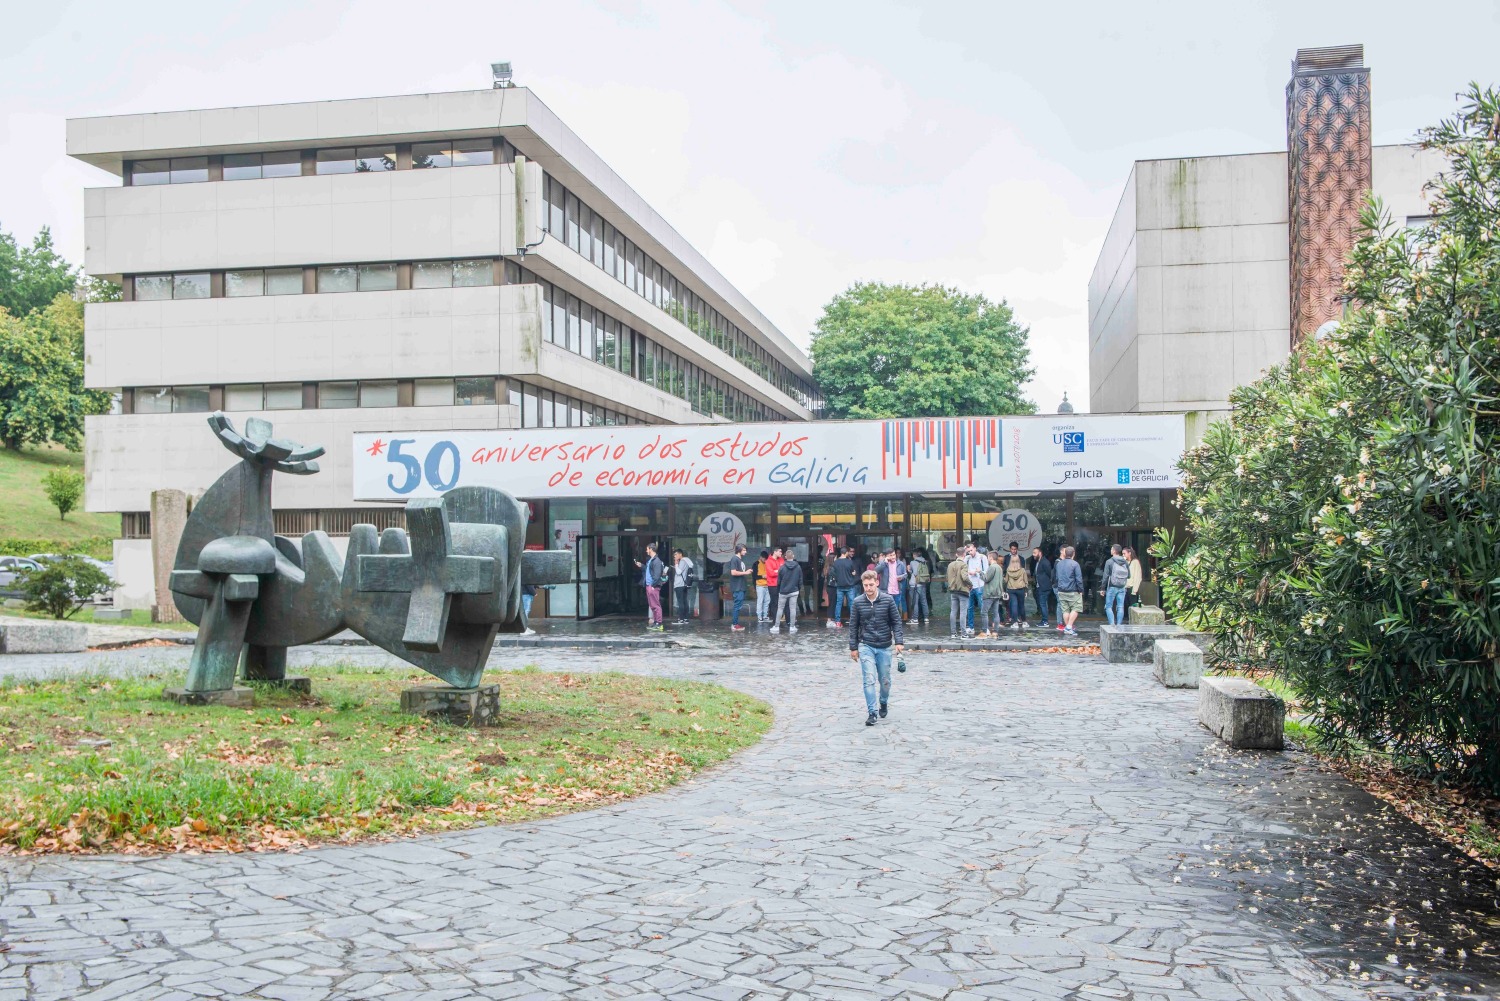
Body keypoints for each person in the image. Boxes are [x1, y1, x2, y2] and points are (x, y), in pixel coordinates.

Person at [848, 568, 904, 726]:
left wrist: (899, 642)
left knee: (885, 680)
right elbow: (853, 626)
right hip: (866, 645)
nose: (868, 588)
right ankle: (872, 712)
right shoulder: (858, 602)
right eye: (865, 585)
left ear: (877, 583)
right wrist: (853, 648)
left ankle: (883, 701)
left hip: (885, 646)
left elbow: (896, 622)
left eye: (871, 585)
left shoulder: (887, 600)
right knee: (869, 679)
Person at [634, 543, 665, 631]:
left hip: (653, 586)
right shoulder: (651, 560)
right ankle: (656, 622)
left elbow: (657, 575)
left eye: (647, 549)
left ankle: (659, 623)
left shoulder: (656, 561)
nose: (646, 551)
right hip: (649, 586)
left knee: (656, 605)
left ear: (651, 549)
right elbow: (649, 571)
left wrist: (652, 586)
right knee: (652, 605)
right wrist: (642, 566)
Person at [770, 554, 803, 634]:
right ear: (793, 556)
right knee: (793, 609)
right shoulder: (798, 567)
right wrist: (798, 588)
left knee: (780, 608)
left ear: (785, 557)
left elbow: (778, 581)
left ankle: (776, 626)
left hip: (783, 591)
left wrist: (779, 589)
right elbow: (800, 579)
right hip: (794, 591)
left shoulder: (782, 567)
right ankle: (792, 626)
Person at [1055, 545, 1084, 636]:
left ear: (1065, 553)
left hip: (1061, 590)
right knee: (1076, 608)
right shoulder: (1075, 564)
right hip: (1072, 590)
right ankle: (1069, 627)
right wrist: (1081, 590)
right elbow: (1078, 579)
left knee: (1065, 610)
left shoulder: (1059, 564)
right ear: (1073, 554)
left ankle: (1068, 628)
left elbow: (1057, 577)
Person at [1002, 542, 1030, 630]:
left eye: (1015, 549)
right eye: (1012, 549)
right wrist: (1026, 589)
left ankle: (1015, 622)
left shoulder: (1008, 570)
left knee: (1013, 605)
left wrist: (1004, 587)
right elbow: (1026, 581)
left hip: (1011, 589)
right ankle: (1024, 621)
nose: (1013, 551)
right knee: (1021, 605)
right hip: (1020, 589)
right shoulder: (1022, 570)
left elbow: (1005, 580)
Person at [1101, 543, 1131, 626]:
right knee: (1120, 606)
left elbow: (1105, 576)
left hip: (1112, 586)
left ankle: (1112, 624)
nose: (1110, 550)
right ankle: (1119, 625)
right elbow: (1129, 575)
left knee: (1108, 606)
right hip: (1122, 587)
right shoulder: (1125, 561)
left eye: (1111, 549)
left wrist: (1102, 588)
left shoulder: (1109, 561)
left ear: (1114, 551)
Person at [829, 546, 858, 627]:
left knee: (839, 604)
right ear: (846, 553)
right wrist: (853, 574)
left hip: (840, 586)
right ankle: (853, 620)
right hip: (850, 585)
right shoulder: (849, 562)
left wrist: (837, 577)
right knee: (851, 603)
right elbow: (853, 572)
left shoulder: (836, 562)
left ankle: (838, 622)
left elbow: (832, 573)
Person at [946, 551, 972, 638]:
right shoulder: (964, 565)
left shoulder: (950, 565)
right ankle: (963, 634)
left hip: (953, 591)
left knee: (953, 612)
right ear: (964, 555)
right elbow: (964, 577)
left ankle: (953, 633)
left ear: (956, 554)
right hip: (963, 591)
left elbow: (948, 577)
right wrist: (970, 584)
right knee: (963, 612)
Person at [963, 543, 987, 634]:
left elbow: (986, 571)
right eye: (968, 551)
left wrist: (977, 572)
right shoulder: (967, 558)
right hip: (970, 585)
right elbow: (963, 569)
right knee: (969, 607)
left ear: (975, 548)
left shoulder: (982, 557)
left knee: (982, 607)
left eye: (971, 550)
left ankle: (985, 627)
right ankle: (970, 627)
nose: (970, 553)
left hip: (980, 584)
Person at [979, 551, 1004, 637]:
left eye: (988, 557)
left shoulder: (992, 567)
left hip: (989, 593)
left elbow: (986, 578)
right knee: (995, 613)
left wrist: (980, 572)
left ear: (990, 557)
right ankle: (995, 632)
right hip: (997, 594)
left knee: (984, 612)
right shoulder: (999, 568)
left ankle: (984, 632)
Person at [876, 550, 907, 617]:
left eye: (894, 555)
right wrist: (884, 562)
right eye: (891, 555)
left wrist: (902, 577)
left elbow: (905, 574)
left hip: (897, 591)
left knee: (894, 610)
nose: (893, 557)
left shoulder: (900, 564)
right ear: (886, 556)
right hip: (886, 591)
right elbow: (876, 571)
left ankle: (893, 626)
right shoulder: (883, 563)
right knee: (885, 610)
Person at [728, 544, 751, 631]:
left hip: (741, 586)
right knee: (737, 606)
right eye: (744, 550)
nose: (745, 552)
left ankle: (735, 623)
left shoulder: (740, 559)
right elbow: (733, 572)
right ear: (739, 550)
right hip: (737, 587)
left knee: (738, 605)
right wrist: (745, 573)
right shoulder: (734, 559)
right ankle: (734, 624)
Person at [1031, 547, 1055, 628]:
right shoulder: (1038, 562)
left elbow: (1049, 573)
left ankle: (1045, 621)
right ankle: (1044, 620)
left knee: (1043, 604)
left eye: (1035, 552)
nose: (1033, 554)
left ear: (1040, 553)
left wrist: (1046, 582)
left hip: (1044, 586)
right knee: (1042, 604)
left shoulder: (1045, 562)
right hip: (1039, 586)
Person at [671, 549, 696, 625]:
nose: (674, 556)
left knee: (680, 602)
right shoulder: (687, 561)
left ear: (680, 554)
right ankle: (686, 618)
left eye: (675, 554)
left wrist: (676, 564)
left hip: (679, 584)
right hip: (684, 584)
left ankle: (681, 619)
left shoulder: (682, 561)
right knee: (685, 601)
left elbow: (678, 572)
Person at [908, 549, 931, 625]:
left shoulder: (912, 562)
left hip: (915, 584)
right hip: (923, 584)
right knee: (924, 601)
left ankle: (915, 619)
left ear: (914, 555)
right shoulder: (925, 562)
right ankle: (926, 618)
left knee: (915, 602)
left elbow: (914, 572)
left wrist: (909, 570)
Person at [764, 547, 785, 624]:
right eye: (780, 551)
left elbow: (785, 570)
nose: (781, 553)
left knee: (781, 601)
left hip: (781, 584)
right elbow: (771, 574)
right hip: (772, 585)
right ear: (775, 552)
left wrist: (776, 570)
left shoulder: (781, 560)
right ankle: (775, 619)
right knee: (774, 602)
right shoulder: (768, 561)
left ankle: (781, 617)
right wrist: (779, 571)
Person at [1123, 546, 1143, 617]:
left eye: (1124, 553)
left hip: (1132, 588)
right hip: (1125, 587)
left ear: (1129, 553)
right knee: (1126, 607)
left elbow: (1138, 577)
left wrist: (1135, 590)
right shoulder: (1126, 562)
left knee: (1133, 607)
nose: (1123, 555)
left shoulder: (1135, 562)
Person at [754, 550, 771, 623]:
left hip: (767, 585)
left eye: (766, 559)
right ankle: (759, 617)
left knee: (767, 601)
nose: (765, 560)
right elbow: (754, 576)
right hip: (760, 585)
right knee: (760, 601)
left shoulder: (767, 563)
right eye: (764, 558)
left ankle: (765, 616)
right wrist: (763, 576)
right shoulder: (756, 564)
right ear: (760, 557)